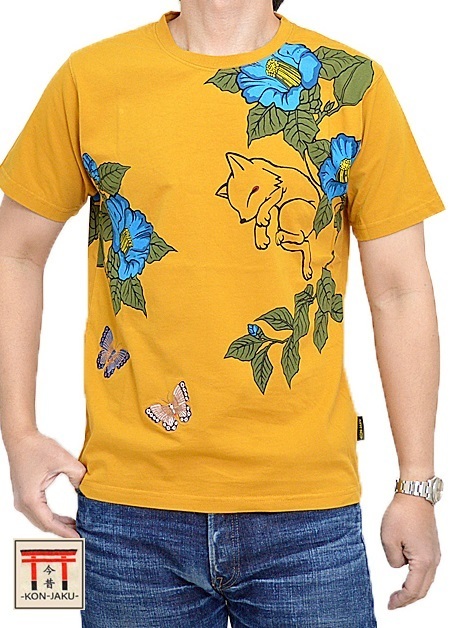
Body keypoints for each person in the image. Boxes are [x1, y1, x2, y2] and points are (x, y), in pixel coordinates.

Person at [0, 0, 445, 625]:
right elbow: (15, 253)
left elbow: (401, 290)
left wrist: (417, 482)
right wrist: (18, 433)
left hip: (307, 514)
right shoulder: (92, 78)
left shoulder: (352, 82)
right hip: (129, 514)